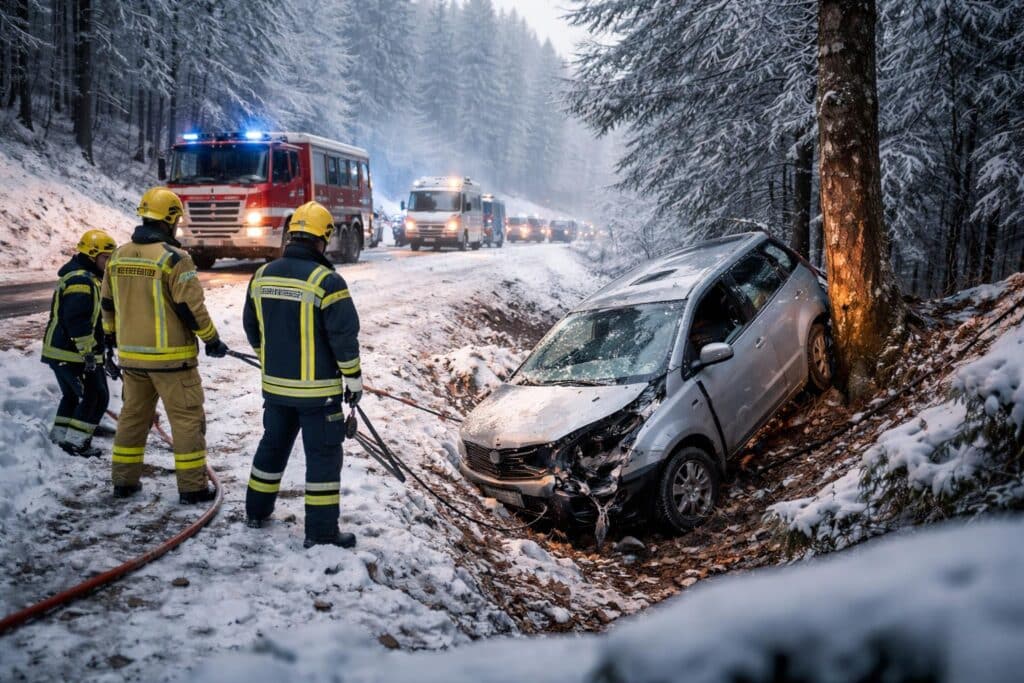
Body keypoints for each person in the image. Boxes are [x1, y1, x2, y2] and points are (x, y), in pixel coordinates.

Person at [242, 201, 362, 549]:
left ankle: (256, 511)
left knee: (272, 448)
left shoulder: (262, 275)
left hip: (276, 391)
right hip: (319, 396)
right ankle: (322, 532)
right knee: (323, 459)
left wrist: (270, 361)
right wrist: (353, 381)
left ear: (293, 234)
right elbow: (344, 339)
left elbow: (252, 328)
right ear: (323, 239)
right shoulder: (328, 281)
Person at [100, 186, 228, 502]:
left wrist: (111, 339)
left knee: (132, 419)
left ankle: (123, 482)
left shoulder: (118, 256)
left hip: (132, 359)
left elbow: (107, 304)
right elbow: (191, 308)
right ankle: (193, 487)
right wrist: (211, 340)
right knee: (187, 423)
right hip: (173, 362)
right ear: (170, 220)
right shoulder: (174, 259)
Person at [42, 229, 117, 458]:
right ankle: (77, 443)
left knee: (73, 396)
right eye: (106, 257)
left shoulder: (87, 277)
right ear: (91, 255)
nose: (109, 262)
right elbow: (77, 321)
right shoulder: (81, 281)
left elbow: (93, 320)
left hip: (63, 353)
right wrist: (88, 353)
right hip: (72, 354)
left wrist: (106, 346)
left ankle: (60, 437)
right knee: (97, 396)